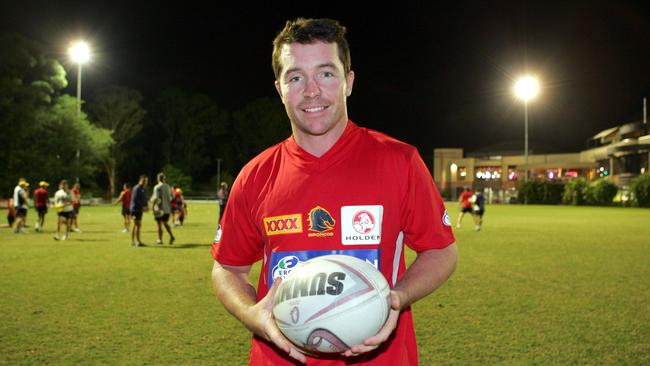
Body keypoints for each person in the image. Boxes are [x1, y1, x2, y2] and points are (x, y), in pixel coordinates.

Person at [211, 18, 457, 365]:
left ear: (349, 81)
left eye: (326, 74)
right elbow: (227, 268)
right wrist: (250, 313)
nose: (312, 91)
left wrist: (397, 298)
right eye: (295, 77)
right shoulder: (255, 176)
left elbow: (441, 251)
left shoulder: (399, 161)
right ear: (280, 88)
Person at [150, 172, 175, 245]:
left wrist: (153, 208)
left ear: (158, 178)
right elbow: (172, 197)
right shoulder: (168, 186)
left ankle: (160, 239)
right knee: (165, 223)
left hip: (160, 209)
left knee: (159, 224)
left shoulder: (157, 187)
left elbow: (156, 198)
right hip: (167, 208)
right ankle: (171, 236)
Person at [130, 175, 149, 247]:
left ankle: (137, 241)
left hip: (139, 210)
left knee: (138, 225)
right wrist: (143, 207)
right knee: (136, 224)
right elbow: (136, 200)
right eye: (144, 181)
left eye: (146, 181)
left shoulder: (143, 189)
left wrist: (146, 206)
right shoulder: (136, 188)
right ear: (140, 180)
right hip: (135, 209)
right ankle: (135, 242)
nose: (145, 182)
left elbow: (144, 199)